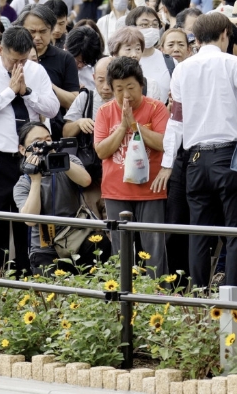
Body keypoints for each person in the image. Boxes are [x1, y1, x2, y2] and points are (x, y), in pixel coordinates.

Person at [153, 12, 237, 299]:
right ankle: (233, 302)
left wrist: (167, 163)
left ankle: (198, 299)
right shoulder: (235, 63)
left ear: (195, 40)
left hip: (195, 160)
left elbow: (176, 121)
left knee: (199, 235)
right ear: (225, 33)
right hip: (229, 156)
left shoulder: (182, 70)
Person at [0, 27, 60, 272]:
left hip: (29, 156)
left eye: (24, 59)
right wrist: (9, 92)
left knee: (27, 222)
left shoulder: (36, 70)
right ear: (0, 50)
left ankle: (27, 275)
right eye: (13, 59)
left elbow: (52, 109)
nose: (19, 65)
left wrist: (27, 93)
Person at [94, 56, 168, 278]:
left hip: (151, 189)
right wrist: (122, 127)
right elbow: (101, 151)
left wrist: (136, 126)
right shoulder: (105, 112)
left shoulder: (157, 108)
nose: (125, 95)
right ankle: (123, 297)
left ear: (141, 85)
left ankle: (158, 297)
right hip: (116, 190)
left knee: (154, 249)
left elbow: (163, 143)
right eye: (118, 89)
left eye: (130, 87)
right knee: (121, 249)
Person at [13, 122, 91, 275]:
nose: (44, 146)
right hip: (45, 248)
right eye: (37, 143)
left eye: (47, 140)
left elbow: (85, 181)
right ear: (23, 150)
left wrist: (58, 157)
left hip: (78, 238)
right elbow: (30, 220)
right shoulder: (22, 184)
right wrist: (35, 180)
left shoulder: (70, 161)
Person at [17, 5, 80, 140]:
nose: (37, 37)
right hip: (17, 131)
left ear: (51, 29)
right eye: (32, 31)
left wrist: (47, 83)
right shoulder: (13, 58)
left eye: (43, 31)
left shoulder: (64, 58)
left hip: (54, 132)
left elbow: (75, 101)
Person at [63, 56, 114, 219]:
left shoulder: (126, 100)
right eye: (100, 80)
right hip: (91, 173)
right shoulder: (86, 98)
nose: (106, 87)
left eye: (110, 81)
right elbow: (66, 132)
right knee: (94, 223)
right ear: (93, 78)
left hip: (117, 173)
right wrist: (79, 123)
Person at [125, 6, 173, 101]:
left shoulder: (170, 62)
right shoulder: (122, 61)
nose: (151, 29)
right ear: (131, 27)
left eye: (155, 25)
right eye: (144, 24)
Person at [108, 27, 163, 103]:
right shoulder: (106, 85)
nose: (134, 55)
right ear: (115, 52)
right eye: (128, 49)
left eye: (138, 49)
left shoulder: (151, 85)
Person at [65, 26, 102, 91]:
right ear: (66, 48)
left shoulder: (97, 68)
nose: (80, 65)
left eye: (85, 62)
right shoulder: (57, 63)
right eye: (78, 61)